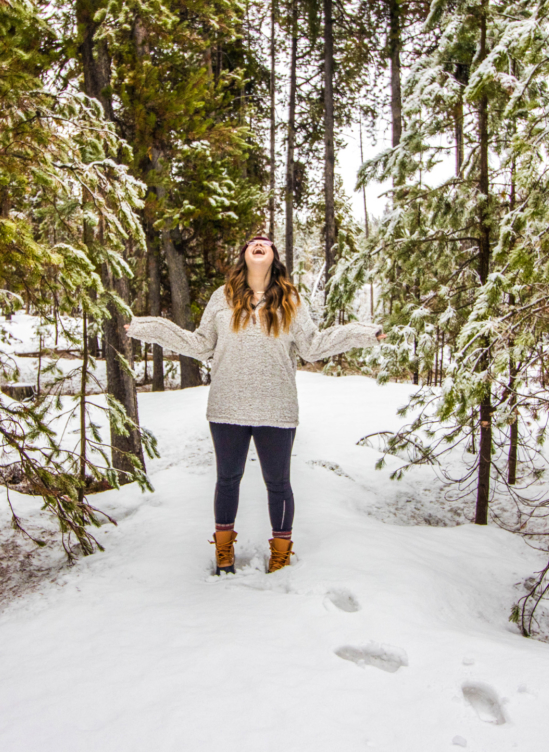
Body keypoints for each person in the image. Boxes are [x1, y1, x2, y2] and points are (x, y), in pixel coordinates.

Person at [125, 235, 383, 575]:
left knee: (278, 483)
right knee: (227, 480)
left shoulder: (290, 299)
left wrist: (363, 334)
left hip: (277, 408)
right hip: (227, 406)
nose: (259, 244)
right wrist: (149, 327)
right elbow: (200, 344)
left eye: (266, 242)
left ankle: (280, 554)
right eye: (252, 242)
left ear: (273, 256)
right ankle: (223, 553)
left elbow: (314, 345)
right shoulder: (223, 297)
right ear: (244, 255)